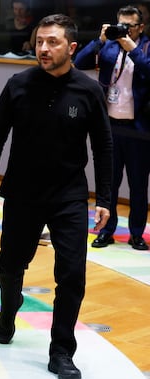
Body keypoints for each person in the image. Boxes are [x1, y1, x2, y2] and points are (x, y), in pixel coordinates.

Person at [0, 14, 112, 379]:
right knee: (10, 265)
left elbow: (103, 146)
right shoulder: (18, 84)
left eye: (52, 42)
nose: (43, 48)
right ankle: (9, 309)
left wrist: (105, 197)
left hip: (69, 195)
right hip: (22, 191)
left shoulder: (88, 90)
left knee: (72, 275)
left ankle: (61, 352)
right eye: (39, 41)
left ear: (71, 48)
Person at [74, 5, 150, 251]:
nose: (124, 30)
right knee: (108, 184)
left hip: (138, 130)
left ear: (141, 27)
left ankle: (136, 233)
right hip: (108, 127)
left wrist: (133, 49)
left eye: (129, 26)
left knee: (138, 185)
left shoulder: (146, 47)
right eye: (121, 24)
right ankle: (106, 230)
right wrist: (100, 39)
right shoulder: (108, 46)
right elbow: (80, 61)